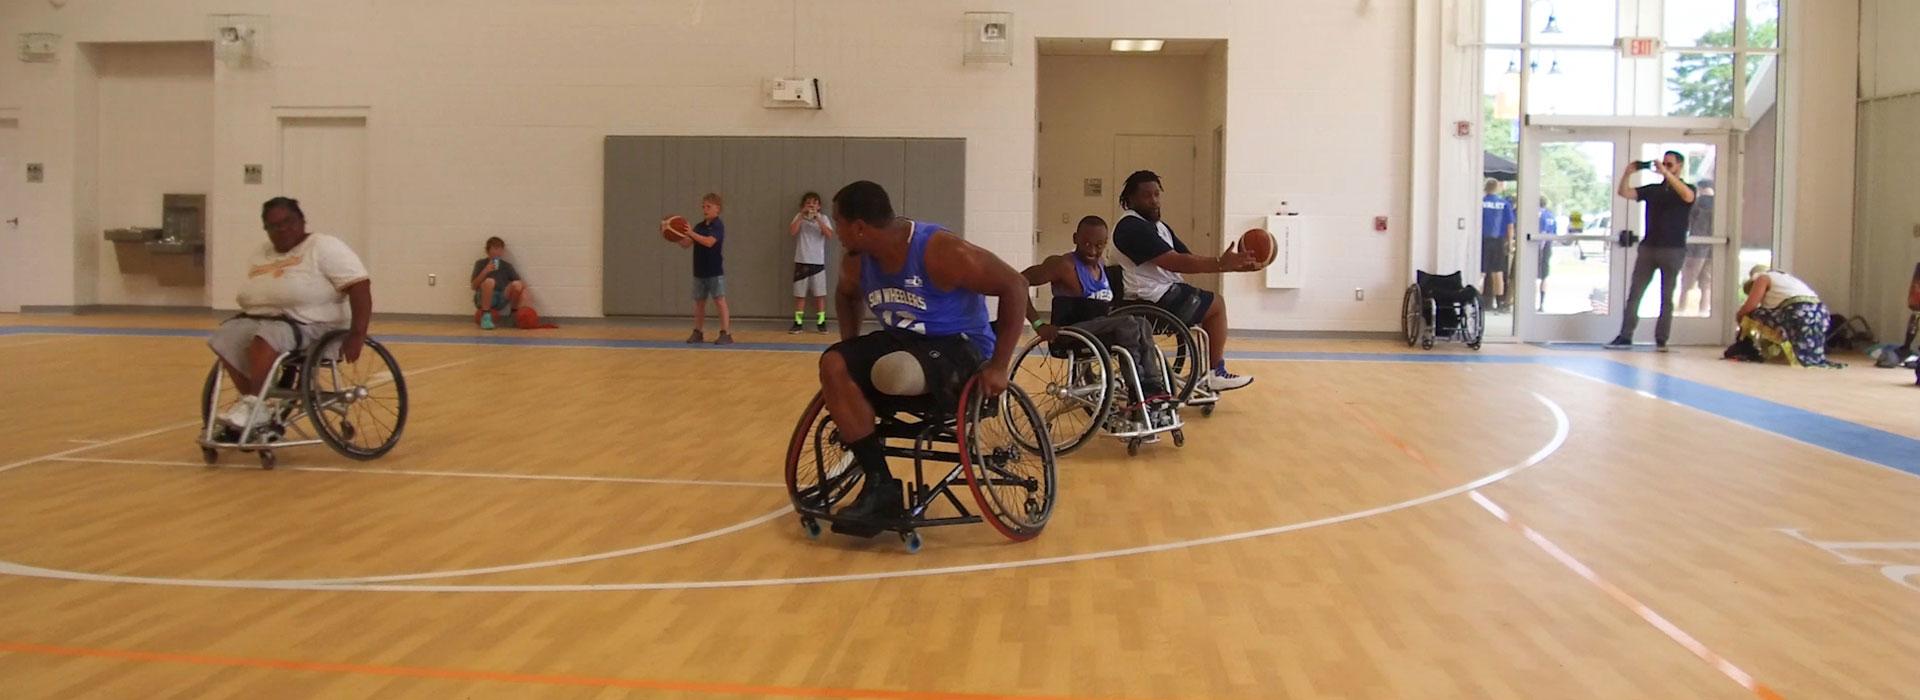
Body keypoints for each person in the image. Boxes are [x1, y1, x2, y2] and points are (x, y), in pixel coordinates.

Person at [818, 180, 1027, 524]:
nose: (835, 229)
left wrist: (1000, 365)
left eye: (837, 221)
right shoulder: (855, 262)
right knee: (835, 363)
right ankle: (880, 484)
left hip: (960, 346)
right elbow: (846, 295)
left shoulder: (939, 250)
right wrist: (850, 344)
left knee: (893, 372)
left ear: (858, 226)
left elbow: (1014, 285)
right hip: (902, 340)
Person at [207, 197, 371, 429]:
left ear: (302, 221)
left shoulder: (323, 246)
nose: (283, 229)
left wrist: (358, 333)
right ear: (266, 229)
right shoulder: (261, 252)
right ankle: (253, 403)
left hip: (312, 325)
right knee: (224, 336)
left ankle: (255, 404)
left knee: (268, 335)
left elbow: (360, 286)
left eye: (288, 221)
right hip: (263, 319)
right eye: (274, 226)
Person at [1109, 170, 1258, 392]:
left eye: (1157, 194)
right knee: (1216, 305)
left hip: (1164, 292)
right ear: (1130, 200)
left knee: (1207, 304)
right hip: (1148, 299)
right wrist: (1221, 263)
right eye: (1146, 196)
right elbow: (1176, 262)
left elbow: (1188, 258)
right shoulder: (1131, 227)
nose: (1154, 201)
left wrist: (1235, 266)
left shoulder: (1159, 227)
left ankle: (1205, 371)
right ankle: (1215, 371)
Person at [1021, 216, 1171, 411]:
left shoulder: (1100, 263)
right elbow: (1018, 282)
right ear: (1075, 238)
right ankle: (1137, 388)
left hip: (1096, 330)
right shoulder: (1062, 265)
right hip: (1071, 333)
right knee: (1127, 324)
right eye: (1086, 244)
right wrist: (1038, 324)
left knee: (1142, 324)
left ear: (1105, 243)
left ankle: (1153, 386)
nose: (1092, 250)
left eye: (1099, 245)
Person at [1605, 151, 1696, 351]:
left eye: (1670, 164)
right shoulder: (1653, 190)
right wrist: (1628, 174)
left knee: (1666, 295)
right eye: (1663, 164)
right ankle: (1625, 335)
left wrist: (1668, 175)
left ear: (1679, 166)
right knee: (1636, 292)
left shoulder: (1687, 188)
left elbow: (1688, 197)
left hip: (1673, 250)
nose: (1664, 167)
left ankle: (1661, 339)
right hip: (1649, 248)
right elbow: (1625, 193)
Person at [1736, 265, 1844, 368]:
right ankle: (1801, 354)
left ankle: (1760, 350)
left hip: (1797, 313)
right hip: (1821, 314)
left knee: (1753, 315)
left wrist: (1741, 323)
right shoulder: (1787, 279)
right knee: (1773, 315)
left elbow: (1748, 308)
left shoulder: (1762, 278)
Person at [677, 193, 732, 345]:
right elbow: (686, 244)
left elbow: (709, 242)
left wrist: (691, 233)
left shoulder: (718, 225)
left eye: (708, 206)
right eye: (703, 206)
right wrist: (673, 233)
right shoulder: (699, 226)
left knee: (720, 301)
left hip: (714, 270)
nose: (705, 209)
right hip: (699, 270)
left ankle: (726, 333)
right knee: (699, 303)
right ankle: (698, 331)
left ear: (717, 209)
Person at [789, 191, 834, 334]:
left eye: (814, 203)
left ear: (819, 206)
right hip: (801, 260)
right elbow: (792, 232)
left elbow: (829, 235)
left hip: (817, 262)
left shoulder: (824, 218)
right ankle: (798, 322)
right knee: (800, 295)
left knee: (819, 294)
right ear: (803, 205)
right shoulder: (799, 217)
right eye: (808, 203)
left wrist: (818, 219)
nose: (811, 206)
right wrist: (802, 216)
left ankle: (821, 322)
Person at [470, 236, 528, 330]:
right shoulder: (480, 263)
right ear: (488, 251)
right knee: (490, 281)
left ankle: (513, 314)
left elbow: (520, 283)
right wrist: (485, 271)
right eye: (495, 249)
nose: (498, 252)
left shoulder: (507, 266)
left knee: (517, 284)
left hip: (501, 297)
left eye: (500, 249)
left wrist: (524, 300)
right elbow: (473, 286)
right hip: (483, 297)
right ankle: (486, 316)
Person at [1680, 179, 1716, 315]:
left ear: (1700, 189)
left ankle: (1681, 312)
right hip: (1714, 248)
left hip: (1695, 249)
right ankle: (1703, 314)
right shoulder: (1719, 204)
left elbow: (1688, 224)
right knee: (1706, 285)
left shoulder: (1697, 203)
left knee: (1686, 285)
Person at [1479, 179, 1516, 311]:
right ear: (1497, 188)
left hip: (1482, 240)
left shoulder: (1481, 202)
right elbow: (1510, 225)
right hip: (1498, 240)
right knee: (1498, 272)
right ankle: (1499, 303)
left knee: (1481, 272)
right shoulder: (1504, 204)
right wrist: (1510, 242)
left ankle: (1478, 301)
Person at [1535, 196, 1555, 310]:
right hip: (1549, 245)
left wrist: (1540, 248)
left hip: (1540, 245)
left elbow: (1541, 231)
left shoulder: (1539, 215)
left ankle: (1531, 302)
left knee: (1533, 274)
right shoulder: (1551, 215)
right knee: (1544, 275)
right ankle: (1542, 303)